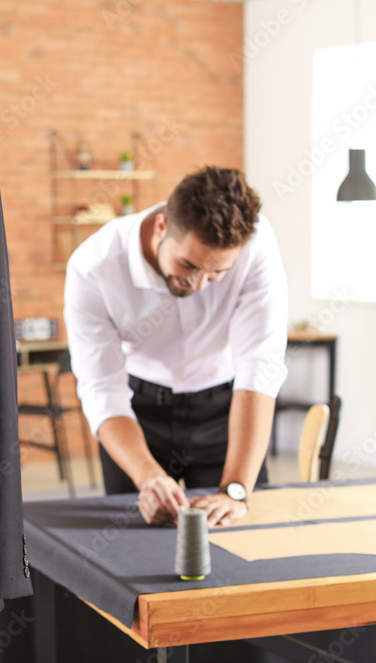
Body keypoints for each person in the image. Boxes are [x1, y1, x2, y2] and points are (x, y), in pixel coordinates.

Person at [64, 166, 288, 527]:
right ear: (161, 226)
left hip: (225, 411)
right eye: (188, 265)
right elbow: (102, 388)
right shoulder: (93, 267)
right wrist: (148, 477)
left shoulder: (257, 245)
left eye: (217, 273)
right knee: (132, 547)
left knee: (239, 534)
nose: (200, 285)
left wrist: (235, 489)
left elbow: (260, 365)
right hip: (137, 416)